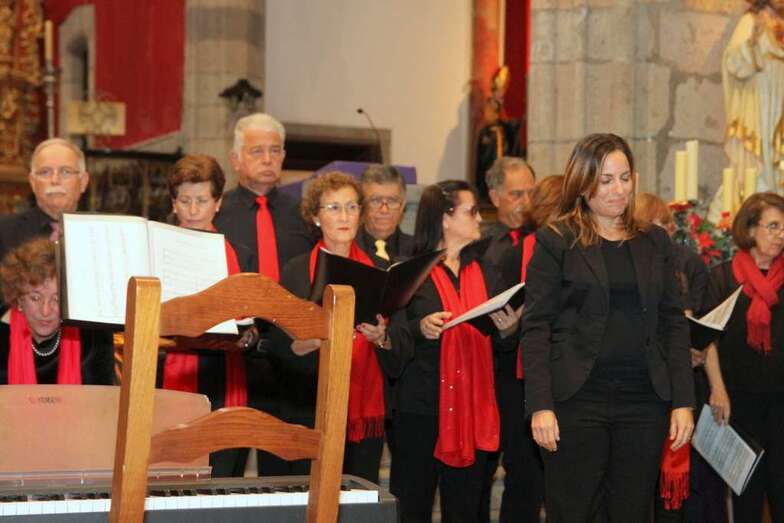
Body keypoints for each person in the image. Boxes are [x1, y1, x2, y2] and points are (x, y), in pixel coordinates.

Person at [521, 133, 694, 522]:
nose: (619, 190)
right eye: (606, 180)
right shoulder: (556, 240)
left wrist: (683, 400)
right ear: (583, 184)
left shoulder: (654, 241)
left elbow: (673, 323)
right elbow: (536, 327)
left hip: (644, 400)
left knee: (631, 512)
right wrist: (540, 406)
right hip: (577, 399)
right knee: (572, 510)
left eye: (625, 177)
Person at [271, 171, 411, 483]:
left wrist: (381, 338)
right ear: (315, 217)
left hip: (364, 413)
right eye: (333, 208)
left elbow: (401, 346)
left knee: (357, 503)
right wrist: (319, 341)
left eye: (351, 207)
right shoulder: (295, 271)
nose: (344, 216)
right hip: (308, 409)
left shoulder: (380, 270)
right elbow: (279, 346)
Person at [395, 180, 520, 523]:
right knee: (413, 507)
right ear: (445, 219)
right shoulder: (409, 271)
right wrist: (420, 328)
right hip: (421, 411)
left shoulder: (486, 271)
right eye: (472, 211)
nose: (480, 218)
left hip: (473, 408)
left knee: (466, 510)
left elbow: (502, 342)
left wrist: (509, 329)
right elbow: (392, 338)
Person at [213, 112, 313, 475]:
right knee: (225, 472)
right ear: (236, 158)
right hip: (233, 357)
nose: (268, 159)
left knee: (288, 473)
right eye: (257, 151)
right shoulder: (217, 214)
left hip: (293, 357)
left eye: (275, 150)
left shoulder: (304, 214)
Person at [162, 153, 256, 477]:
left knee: (222, 477)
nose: (192, 210)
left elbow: (252, 315)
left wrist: (250, 334)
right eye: (184, 200)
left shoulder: (239, 253)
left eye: (201, 200)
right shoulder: (155, 248)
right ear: (173, 203)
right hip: (168, 370)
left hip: (223, 372)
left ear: (217, 203)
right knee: (171, 479)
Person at [635, 193, 726, 523]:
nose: (663, 232)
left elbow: (705, 328)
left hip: (682, 384)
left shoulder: (687, 263)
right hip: (641, 385)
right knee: (638, 479)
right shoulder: (628, 264)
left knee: (682, 483)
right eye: (654, 226)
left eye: (667, 225)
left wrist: (718, 387)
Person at [702, 192, 784, 521]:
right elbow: (708, 340)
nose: (781, 235)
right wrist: (717, 388)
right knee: (746, 492)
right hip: (737, 401)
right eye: (774, 226)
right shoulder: (723, 278)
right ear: (750, 230)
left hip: (781, 400)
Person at [479, 160, 542, 523]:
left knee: (526, 474)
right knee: (482, 471)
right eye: (516, 194)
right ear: (495, 196)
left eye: (531, 192)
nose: (526, 201)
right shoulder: (483, 245)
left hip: (528, 374)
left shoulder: (545, 241)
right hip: (490, 372)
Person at [0, 238, 112, 385]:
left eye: (57, 299)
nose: (45, 311)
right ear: (19, 299)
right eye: (35, 298)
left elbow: (102, 401)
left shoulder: (93, 337)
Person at [723, 0, 784, 193]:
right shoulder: (750, 21)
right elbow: (734, 64)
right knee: (762, 164)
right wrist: (754, 42)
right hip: (761, 103)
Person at [0, 138, 90, 262]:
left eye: (65, 172)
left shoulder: (103, 232)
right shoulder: (4, 231)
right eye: (45, 172)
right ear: (32, 182)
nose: (55, 180)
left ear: (83, 182)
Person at [356, 164, 414, 267]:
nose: (384, 210)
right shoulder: (347, 250)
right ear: (362, 204)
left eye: (392, 201)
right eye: (376, 201)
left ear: (402, 206)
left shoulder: (419, 252)